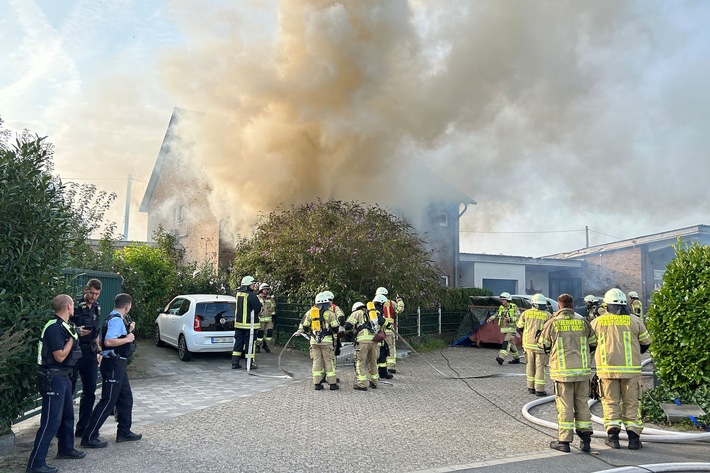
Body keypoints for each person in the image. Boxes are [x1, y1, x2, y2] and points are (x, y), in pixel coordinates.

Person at [27, 295, 86, 473]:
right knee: (50, 422)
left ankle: (66, 448)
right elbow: (59, 356)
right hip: (53, 379)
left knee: (68, 415)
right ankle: (36, 464)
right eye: (73, 305)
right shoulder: (54, 328)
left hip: (63, 377)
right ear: (68, 306)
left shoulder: (65, 326)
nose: (74, 308)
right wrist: (70, 341)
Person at [591, 288, 652, 450]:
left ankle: (613, 439)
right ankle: (633, 440)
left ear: (606, 304)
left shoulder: (597, 322)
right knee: (631, 403)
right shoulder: (634, 321)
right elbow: (646, 342)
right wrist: (635, 352)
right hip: (630, 372)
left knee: (610, 403)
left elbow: (589, 344)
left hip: (606, 371)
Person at [538, 293, 597, 453]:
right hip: (582, 373)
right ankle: (586, 441)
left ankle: (564, 442)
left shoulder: (552, 323)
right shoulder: (583, 322)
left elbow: (543, 345)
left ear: (559, 306)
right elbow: (593, 343)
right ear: (572, 306)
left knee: (565, 406)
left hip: (562, 374)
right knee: (582, 404)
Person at [81, 293, 141, 448]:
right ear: (128, 306)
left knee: (126, 398)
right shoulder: (115, 320)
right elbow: (108, 340)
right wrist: (128, 339)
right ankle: (89, 436)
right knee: (107, 401)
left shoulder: (114, 318)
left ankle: (124, 431)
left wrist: (128, 329)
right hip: (113, 364)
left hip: (118, 364)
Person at [71, 278, 102, 438]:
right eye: (91, 293)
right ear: (85, 290)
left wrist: (98, 350)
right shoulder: (75, 306)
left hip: (90, 352)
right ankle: (62, 429)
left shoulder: (97, 307)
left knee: (90, 391)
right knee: (68, 391)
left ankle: (82, 428)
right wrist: (76, 331)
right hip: (75, 352)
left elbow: (96, 331)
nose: (93, 296)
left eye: (96, 294)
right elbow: (65, 328)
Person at [295, 292, 340, 390]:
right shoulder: (330, 314)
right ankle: (332, 384)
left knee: (316, 362)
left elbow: (305, 326)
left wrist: (310, 333)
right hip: (327, 342)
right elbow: (336, 328)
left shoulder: (310, 313)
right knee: (328, 362)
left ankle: (317, 384)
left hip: (314, 341)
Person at [344, 301, 384, 390]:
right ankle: (374, 382)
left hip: (362, 342)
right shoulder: (372, 313)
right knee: (373, 361)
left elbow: (347, 326)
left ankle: (362, 384)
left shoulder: (356, 313)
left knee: (360, 362)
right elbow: (383, 322)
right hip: (374, 341)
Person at [516, 293, 551, 396]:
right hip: (541, 345)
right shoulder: (548, 315)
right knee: (540, 366)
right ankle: (539, 389)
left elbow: (519, 327)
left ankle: (530, 387)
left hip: (528, 345)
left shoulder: (526, 313)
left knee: (530, 365)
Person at [231, 276, 262, 369]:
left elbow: (235, 291)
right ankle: (249, 364)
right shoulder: (252, 296)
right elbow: (257, 309)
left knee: (238, 344)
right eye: (252, 284)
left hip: (239, 325)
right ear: (248, 285)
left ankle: (235, 363)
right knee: (250, 345)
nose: (254, 286)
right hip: (250, 326)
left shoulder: (237, 294)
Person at [375, 287, 404, 374]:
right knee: (390, 347)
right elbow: (400, 310)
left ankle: (376, 366)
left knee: (378, 348)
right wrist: (399, 300)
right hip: (389, 329)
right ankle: (391, 366)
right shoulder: (391, 303)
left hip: (378, 330)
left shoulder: (373, 303)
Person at [487, 292, 521, 365]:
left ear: (508, 300)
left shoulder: (514, 306)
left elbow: (519, 317)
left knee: (506, 342)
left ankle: (501, 357)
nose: (502, 301)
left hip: (511, 329)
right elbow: (497, 314)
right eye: (501, 299)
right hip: (504, 329)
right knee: (511, 344)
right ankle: (516, 358)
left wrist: (510, 319)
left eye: (503, 300)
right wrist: (491, 318)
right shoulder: (501, 307)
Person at [255, 283, 275, 353]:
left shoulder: (270, 299)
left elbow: (273, 308)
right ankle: (257, 346)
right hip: (260, 319)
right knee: (260, 334)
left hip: (269, 319)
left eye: (267, 289)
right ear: (261, 290)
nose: (266, 291)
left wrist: (273, 317)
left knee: (269, 333)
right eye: (265, 289)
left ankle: (265, 344)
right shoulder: (257, 298)